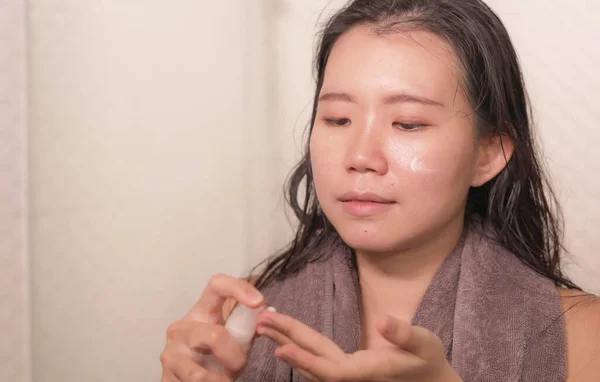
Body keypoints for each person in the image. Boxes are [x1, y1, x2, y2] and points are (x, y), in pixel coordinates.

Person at [160, 0, 600, 381]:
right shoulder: (241, 319)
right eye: (337, 119)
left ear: (488, 154)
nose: (361, 155)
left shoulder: (580, 336)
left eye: (407, 123)